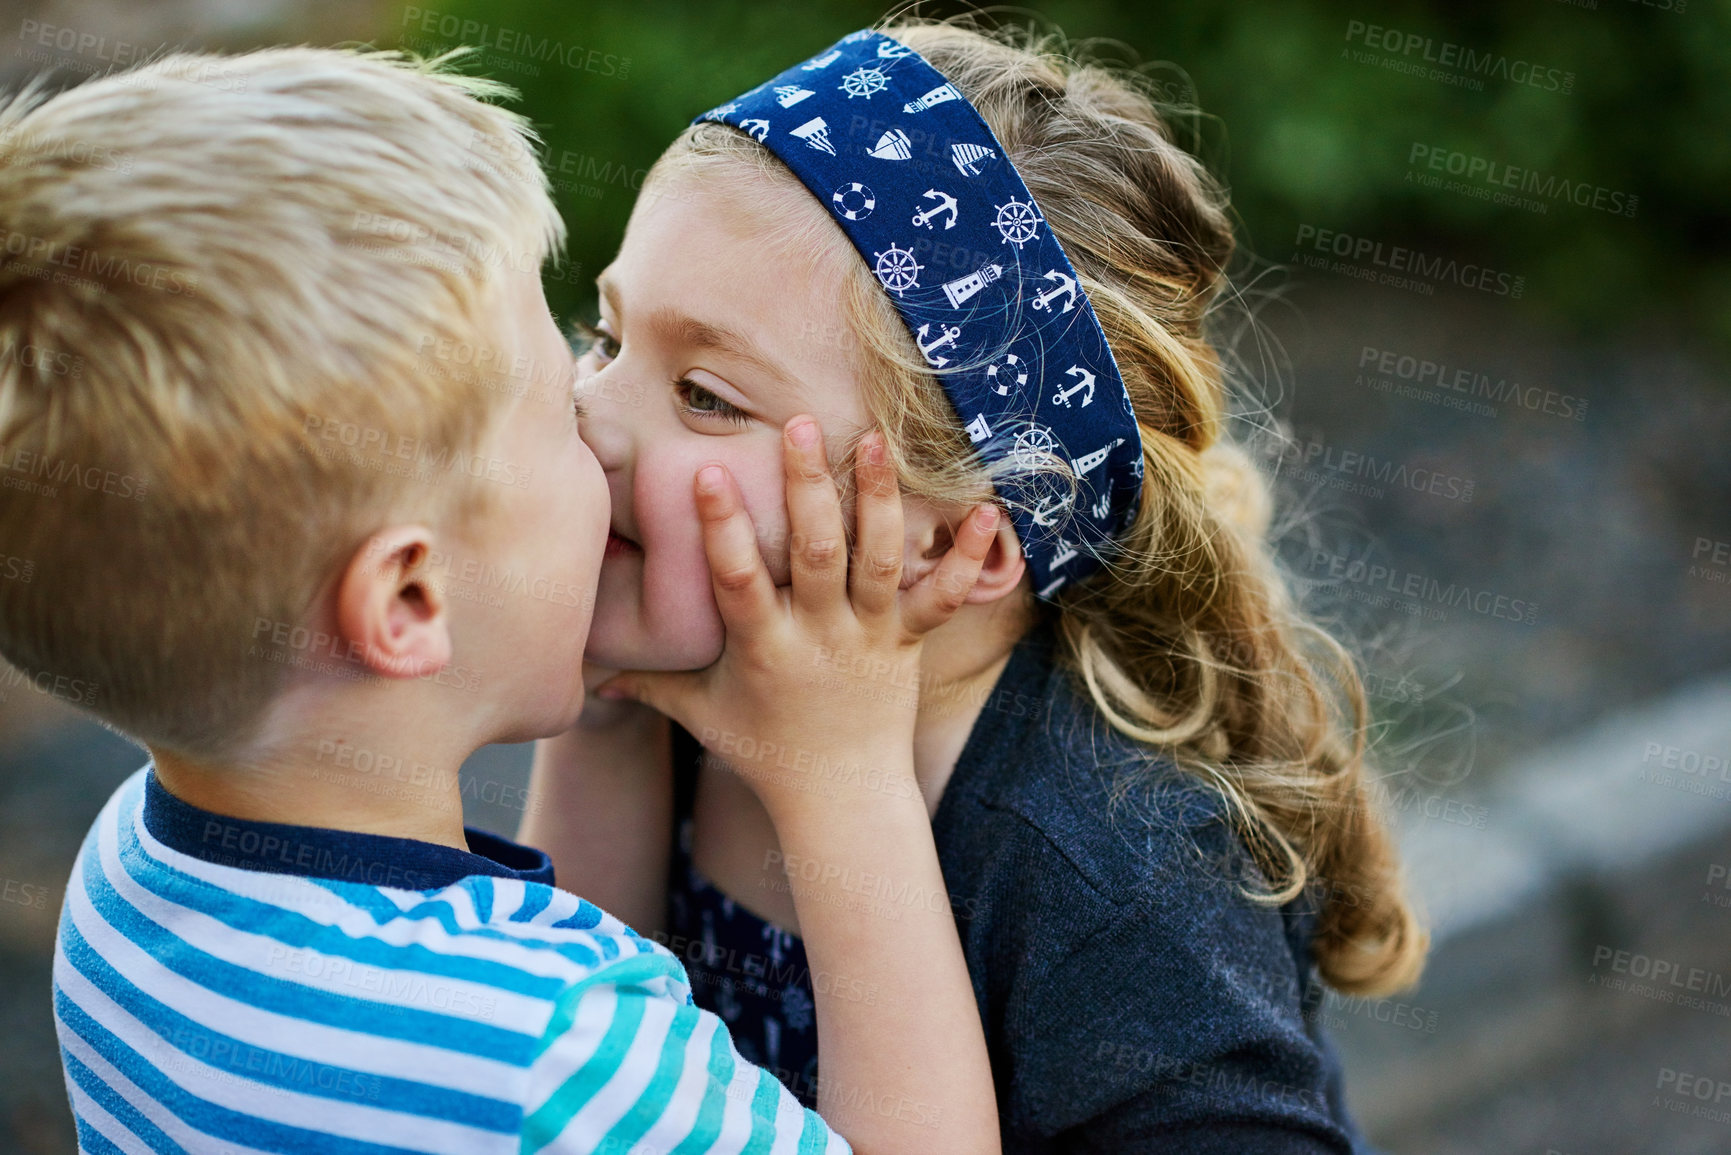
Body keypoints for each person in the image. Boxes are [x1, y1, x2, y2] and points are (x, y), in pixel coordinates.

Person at [0, 46, 1003, 1154]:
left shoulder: (123, 884)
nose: (599, 420)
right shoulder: (549, 1050)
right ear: (412, 598)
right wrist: (849, 774)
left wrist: (604, 694)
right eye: (556, 416)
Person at [529, 18, 1428, 1152]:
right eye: (608, 338)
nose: (585, 413)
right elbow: (577, 1077)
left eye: (705, 394)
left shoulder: (1115, 877)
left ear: (966, 546)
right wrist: (602, 706)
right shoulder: (704, 650)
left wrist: (835, 782)